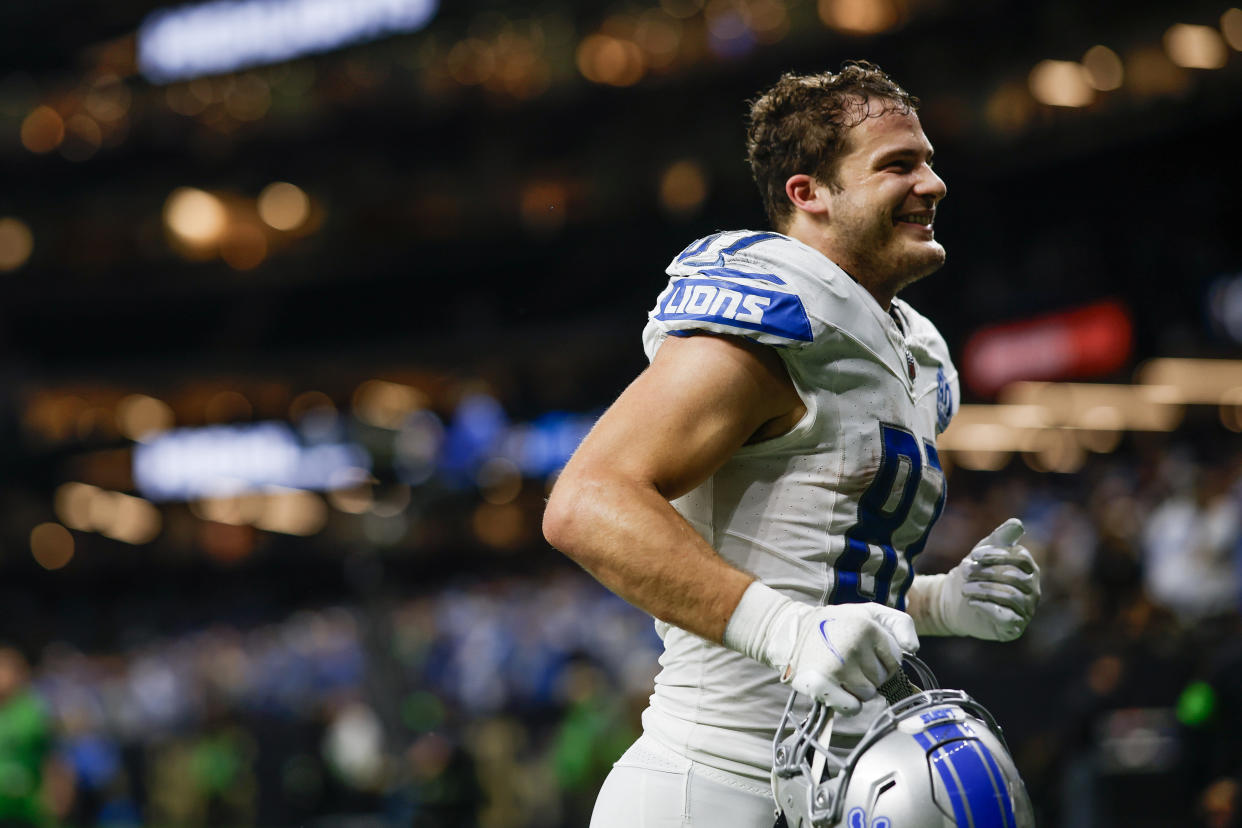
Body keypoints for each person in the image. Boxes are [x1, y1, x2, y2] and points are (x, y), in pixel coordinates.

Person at [542, 61, 1041, 827]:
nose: (933, 183)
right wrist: (782, 631)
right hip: (708, 787)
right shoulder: (775, 318)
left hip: (836, 784)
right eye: (897, 165)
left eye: (930, 161)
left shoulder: (913, 350)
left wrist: (938, 601)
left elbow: (809, 576)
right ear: (808, 193)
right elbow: (583, 502)